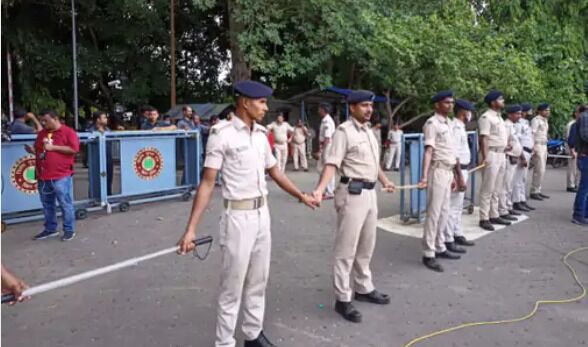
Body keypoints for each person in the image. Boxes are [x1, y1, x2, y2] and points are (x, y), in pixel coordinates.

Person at [176, 80, 317, 347]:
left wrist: (301, 195)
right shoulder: (222, 134)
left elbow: (275, 171)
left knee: (258, 281)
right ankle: (225, 342)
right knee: (232, 287)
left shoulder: (261, 134)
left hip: (262, 214)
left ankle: (253, 335)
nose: (266, 107)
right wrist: (191, 229)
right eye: (262, 102)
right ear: (244, 102)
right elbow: (207, 182)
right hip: (238, 219)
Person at [312, 90, 396, 323]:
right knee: (346, 249)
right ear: (352, 108)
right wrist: (320, 189)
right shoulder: (343, 132)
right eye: (364, 106)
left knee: (367, 245)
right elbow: (332, 163)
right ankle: (342, 298)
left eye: (370, 105)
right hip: (351, 194)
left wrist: (385, 180)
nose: (369, 110)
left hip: (370, 194)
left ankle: (363, 287)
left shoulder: (369, 131)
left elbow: (372, 163)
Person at [417, 91, 466, 272]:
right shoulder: (432, 124)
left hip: (447, 172)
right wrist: (423, 177)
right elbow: (429, 151)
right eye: (446, 103)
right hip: (437, 171)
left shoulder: (450, 124)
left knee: (444, 212)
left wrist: (455, 175)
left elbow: (451, 152)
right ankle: (428, 253)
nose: (450, 105)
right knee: (434, 213)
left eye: (452, 103)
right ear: (437, 105)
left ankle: (440, 246)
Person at [25, 110, 80, 241]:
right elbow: (40, 149)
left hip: (61, 175)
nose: (43, 123)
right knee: (47, 204)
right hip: (43, 175)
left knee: (65, 203)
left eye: (46, 121)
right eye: (42, 121)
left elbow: (74, 149)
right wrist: (33, 151)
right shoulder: (42, 133)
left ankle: (69, 230)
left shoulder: (68, 132)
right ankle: (50, 229)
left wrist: (54, 148)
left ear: (55, 119)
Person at [443, 99, 476, 252]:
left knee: (457, 206)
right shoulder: (455, 128)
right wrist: (459, 177)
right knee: (452, 206)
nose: (471, 115)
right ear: (464, 112)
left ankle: (456, 233)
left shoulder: (460, 127)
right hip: (458, 171)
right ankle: (448, 239)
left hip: (463, 169)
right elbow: (454, 154)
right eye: (469, 112)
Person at [478, 90, 510, 231]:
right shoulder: (486, 117)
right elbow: (483, 138)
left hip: (501, 153)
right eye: (500, 99)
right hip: (490, 153)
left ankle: (494, 214)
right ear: (493, 102)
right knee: (488, 188)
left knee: (497, 187)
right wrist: (485, 158)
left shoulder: (499, 117)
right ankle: (484, 217)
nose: (503, 101)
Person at [512, 103, 536, 212]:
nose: (531, 113)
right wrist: (521, 156)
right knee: (518, 178)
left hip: (528, 151)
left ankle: (522, 199)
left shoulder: (526, 122)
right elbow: (518, 141)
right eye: (530, 111)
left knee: (523, 178)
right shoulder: (518, 124)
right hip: (523, 152)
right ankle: (516, 201)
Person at [501, 105, 524, 220]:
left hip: (514, 158)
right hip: (509, 158)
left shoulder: (513, 126)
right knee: (505, 186)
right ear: (510, 114)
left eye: (520, 113)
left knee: (509, 186)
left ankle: (508, 207)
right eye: (517, 113)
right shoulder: (506, 125)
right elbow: (505, 144)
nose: (519, 116)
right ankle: (503, 210)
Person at [569, 105, 588, 225]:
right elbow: (585, 136)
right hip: (585, 155)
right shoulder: (585, 117)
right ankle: (578, 214)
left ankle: (584, 213)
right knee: (584, 187)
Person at [87, 111, 114, 196]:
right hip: (95, 158)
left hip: (108, 157)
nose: (106, 119)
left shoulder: (107, 129)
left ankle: (108, 196)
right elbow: (86, 142)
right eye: (104, 117)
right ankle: (93, 197)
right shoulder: (90, 130)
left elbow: (113, 138)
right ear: (98, 119)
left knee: (108, 178)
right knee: (96, 178)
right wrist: (97, 135)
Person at [530, 103, 551, 200]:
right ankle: (534, 191)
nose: (548, 112)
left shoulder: (545, 120)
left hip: (544, 145)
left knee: (542, 170)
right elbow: (532, 134)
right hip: (538, 145)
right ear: (540, 111)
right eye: (546, 110)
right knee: (539, 169)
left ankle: (538, 190)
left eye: (548, 110)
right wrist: (533, 147)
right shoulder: (536, 120)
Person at [317, 103, 336, 199]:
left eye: (319, 109)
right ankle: (323, 189)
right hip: (326, 146)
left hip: (327, 147)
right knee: (322, 169)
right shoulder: (324, 120)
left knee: (327, 169)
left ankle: (329, 191)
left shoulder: (328, 121)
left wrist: (321, 150)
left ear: (324, 110)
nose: (318, 111)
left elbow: (327, 138)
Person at [565, 107, 582, 193]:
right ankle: (570, 185)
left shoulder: (579, 123)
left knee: (577, 168)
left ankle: (575, 184)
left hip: (578, 148)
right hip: (572, 148)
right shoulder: (571, 124)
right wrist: (572, 150)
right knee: (572, 167)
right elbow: (569, 138)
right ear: (575, 114)